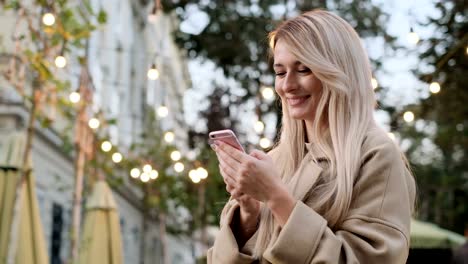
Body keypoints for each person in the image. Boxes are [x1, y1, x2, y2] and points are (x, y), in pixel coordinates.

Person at [207, 9, 416, 264]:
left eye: (304, 69)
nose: (287, 86)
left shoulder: (376, 154)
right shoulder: (274, 161)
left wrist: (276, 197)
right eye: (280, 72)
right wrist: (248, 215)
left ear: (339, 72)